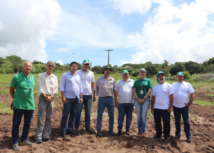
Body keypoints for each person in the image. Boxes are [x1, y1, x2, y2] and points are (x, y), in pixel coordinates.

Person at [10, 61, 36, 151]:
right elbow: (11, 89)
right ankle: (15, 142)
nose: (28, 67)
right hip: (19, 105)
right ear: (22, 67)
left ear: (31, 68)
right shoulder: (16, 77)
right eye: (26, 66)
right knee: (16, 124)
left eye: (29, 66)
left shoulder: (33, 77)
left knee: (27, 123)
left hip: (30, 105)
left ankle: (24, 139)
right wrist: (16, 98)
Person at [35, 61, 58, 144]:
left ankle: (46, 136)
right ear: (46, 66)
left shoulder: (54, 77)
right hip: (43, 97)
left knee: (49, 118)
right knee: (40, 117)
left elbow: (55, 89)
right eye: (49, 65)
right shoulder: (41, 75)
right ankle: (38, 136)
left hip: (51, 98)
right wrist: (46, 96)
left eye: (52, 66)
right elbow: (39, 87)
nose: (50, 67)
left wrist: (51, 97)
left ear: (53, 67)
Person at [60, 61, 83, 140]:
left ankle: (70, 129)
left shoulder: (78, 76)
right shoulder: (65, 75)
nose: (74, 68)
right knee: (65, 114)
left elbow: (80, 87)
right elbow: (62, 86)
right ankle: (63, 131)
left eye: (76, 67)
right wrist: (63, 97)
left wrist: (81, 97)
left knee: (73, 114)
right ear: (70, 67)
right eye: (73, 66)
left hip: (76, 98)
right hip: (68, 98)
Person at [151, 71, 174, 143]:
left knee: (166, 122)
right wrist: (152, 108)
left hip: (165, 108)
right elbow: (153, 98)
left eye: (162, 76)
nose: (161, 77)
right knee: (157, 122)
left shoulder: (169, 86)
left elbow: (172, 97)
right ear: (157, 78)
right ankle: (158, 134)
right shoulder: (155, 87)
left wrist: (170, 107)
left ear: (164, 77)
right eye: (159, 76)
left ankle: (166, 136)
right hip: (157, 108)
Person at [172, 72, 195, 143]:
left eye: (181, 76)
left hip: (184, 106)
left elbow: (192, 94)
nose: (179, 77)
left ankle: (188, 136)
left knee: (186, 121)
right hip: (175, 106)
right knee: (177, 121)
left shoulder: (187, 84)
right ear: (176, 77)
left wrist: (189, 103)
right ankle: (178, 134)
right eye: (178, 76)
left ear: (183, 77)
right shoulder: (173, 85)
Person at [75, 59, 96, 133]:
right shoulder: (78, 72)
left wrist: (94, 95)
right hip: (80, 95)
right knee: (78, 111)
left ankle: (87, 126)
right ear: (82, 64)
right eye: (85, 64)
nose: (86, 65)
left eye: (88, 64)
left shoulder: (92, 73)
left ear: (89, 65)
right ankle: (76, 126)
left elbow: (92, 84)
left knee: (88, 112)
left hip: (89, 95)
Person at [95, 66, 116, 137]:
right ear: (104, 71)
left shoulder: (112, 80)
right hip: (102, 99)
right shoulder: (99, 79)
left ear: (110, 72)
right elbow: (96, 88)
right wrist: (98, 95)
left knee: (111, 115)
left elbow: (114, 90)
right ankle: (98, 130)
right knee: (100, 114)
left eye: (109, 70)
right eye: (106, 70)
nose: (107, 71)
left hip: (110, 99)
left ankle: (111, 129)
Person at [133, 68, 153, 137]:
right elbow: (134, 91)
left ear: (145, 73)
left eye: (143, 72)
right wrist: (138, 99)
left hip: (146, 100)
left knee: (143, 116)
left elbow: (149, 90)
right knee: (138, 116)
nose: (142, 73)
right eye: (141, 72)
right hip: (137, 99)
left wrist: (144, 98)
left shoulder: (148, 81)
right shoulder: (136, 81)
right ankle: (139, 130)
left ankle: (143, 131)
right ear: (139, 73)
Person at [115, 70, 134, 136]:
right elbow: (116, 91)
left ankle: (128, 129)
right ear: (122, 75)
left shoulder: (132, 82)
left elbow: (134, 91)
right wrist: (115, 100)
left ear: (129, 75)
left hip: (130, 103)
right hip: (121, 103)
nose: (125, 76)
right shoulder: (118, 82)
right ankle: (119, 129)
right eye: (124, 74)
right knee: (121, 116)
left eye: (127, 74)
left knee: (129, 117)